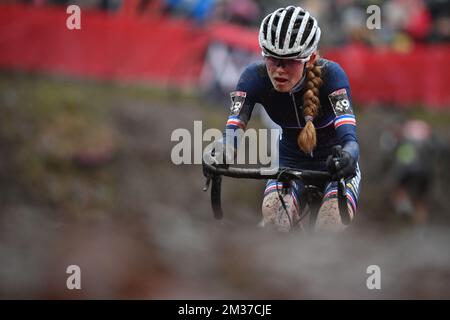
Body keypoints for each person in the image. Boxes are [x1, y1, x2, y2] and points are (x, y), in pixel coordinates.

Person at [210, 6, 361, 232]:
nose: (279, 70)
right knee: (274, 222)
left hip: (335, 164)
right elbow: (233, 128)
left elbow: (350, 139)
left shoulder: (332, 75)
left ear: (309, 59)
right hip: (289, 161)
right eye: (272, 59)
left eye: (289, 61)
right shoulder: (254, 77)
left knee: (329, 229)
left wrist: (348, 156)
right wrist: (221, 149)